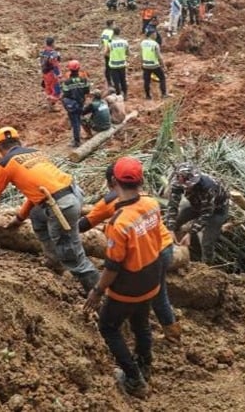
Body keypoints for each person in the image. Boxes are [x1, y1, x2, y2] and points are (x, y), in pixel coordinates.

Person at [0, 127, 100, 292]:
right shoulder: (35, 153)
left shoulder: (6, 164)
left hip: (61, 206)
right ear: (19, 142)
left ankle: (98, 293)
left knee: (72, 255)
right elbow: (38, 194)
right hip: (74, 194)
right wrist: (20, 218)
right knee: (37, 215)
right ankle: (54, 261)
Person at [83, 157, 163, 398]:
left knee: (108, 327)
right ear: (141, 180)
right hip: (152, 276)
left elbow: (113, 266)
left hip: (129, 285)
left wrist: (97, 291)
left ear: (113, 181)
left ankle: (134, 379)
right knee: (141, 322)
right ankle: (145, 365)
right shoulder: (152, 204)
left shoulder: (119, 222)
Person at [79, 163, 181, 343]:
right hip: (164, 245)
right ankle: (165, 330)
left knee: (151, 292)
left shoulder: (109, 202)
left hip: (151, 252)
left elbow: (85, 224)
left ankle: (167, 333)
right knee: (156, 292)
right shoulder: (143, 197)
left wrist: (65, 226)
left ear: (112, 182)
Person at [164, 163, 229, 264]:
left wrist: (191, 233)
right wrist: (170, 228)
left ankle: (206, 267)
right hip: (195, 204)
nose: (186, 189)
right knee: (175, 222)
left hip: (217, 210)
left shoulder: (209, 187)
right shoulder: (177, 182)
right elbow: (173, 205)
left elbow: (206, 214)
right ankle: (172, 247)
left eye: (189, 186)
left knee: (207, 242)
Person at [60, 60, 90, 147]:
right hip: (81, 102)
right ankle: (87, 133)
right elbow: (87, 91)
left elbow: (66, 94)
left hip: (72, 105)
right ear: (78, 68)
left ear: (70, 70)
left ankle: (77, 141)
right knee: (79, 118)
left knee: (75, 122)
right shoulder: (84, 80)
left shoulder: (67, 82)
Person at [141, 30, 169, 100]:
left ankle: (147, 96)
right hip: (154, 65)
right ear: (152, 34)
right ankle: (163, 94)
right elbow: (159, 56)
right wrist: (163, 65)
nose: (156, 35)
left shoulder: (143, 43)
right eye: (155, 34)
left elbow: (141, 54)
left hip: (146, 65)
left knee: (146, 81)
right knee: (162, 78)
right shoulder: (155, 44)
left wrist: (141, 63)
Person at [104, 27, 129, 99]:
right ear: (119, 33)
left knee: (116, 81)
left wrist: (111, 55)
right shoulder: (125, 42)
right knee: (123, 79)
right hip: (122, 64)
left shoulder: (110, 43)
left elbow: (105, 53)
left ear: (113, 33)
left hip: (113, 65)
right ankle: (125, 94)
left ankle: (118, 95)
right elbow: (128, 53)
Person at [39, 36, 62, 111]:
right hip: (52, 74)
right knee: (56, 90)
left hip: (45, 73)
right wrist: (58, 74)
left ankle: (49, 105)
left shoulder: (43, 52)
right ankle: (52, 106)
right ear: (53, 43)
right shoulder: (53, 54)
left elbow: (42, 63)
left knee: (48, 89)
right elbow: (55, 65)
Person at [100, 20, 115, 90]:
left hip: (105, 51)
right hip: (111, 52)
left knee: (107, 67)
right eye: (114, 24)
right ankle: (113, 82)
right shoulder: (112, 32)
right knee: (113, 67)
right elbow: (112, 43)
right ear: (111, 24)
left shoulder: (104, 31)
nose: (115, 25)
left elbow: (102, 41)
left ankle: (109, 82)